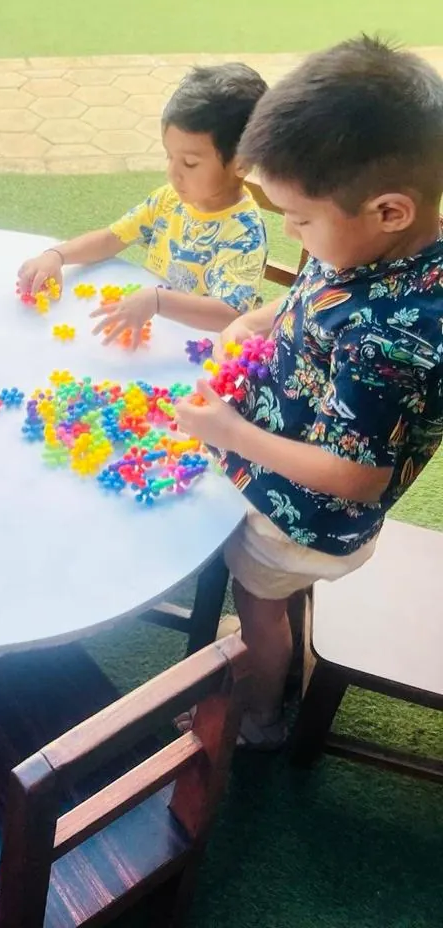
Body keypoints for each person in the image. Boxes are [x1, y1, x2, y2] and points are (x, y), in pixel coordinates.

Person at [175, 38, 443, 748]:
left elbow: (356, 477)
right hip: (289, 454)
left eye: (298, 221)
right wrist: (256, 319)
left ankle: (259, 716)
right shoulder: (367, 245)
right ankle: (282, 650)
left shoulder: (393, 338)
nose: (289, 235)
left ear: (389, 211)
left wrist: (231, 434)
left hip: (305, 514)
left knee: (257, 608)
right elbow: (312, 295)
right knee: (272, 599)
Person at [17, 64, 269, 342]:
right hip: (157, 332)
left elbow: (229, 315)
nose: (173, 172)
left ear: (241, 163)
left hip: (206, 348)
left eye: (189, 163)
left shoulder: (244, 233)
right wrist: (58, 256)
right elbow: (112, 238)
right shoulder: (169, 200)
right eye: (169, 157)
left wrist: (157, 301)